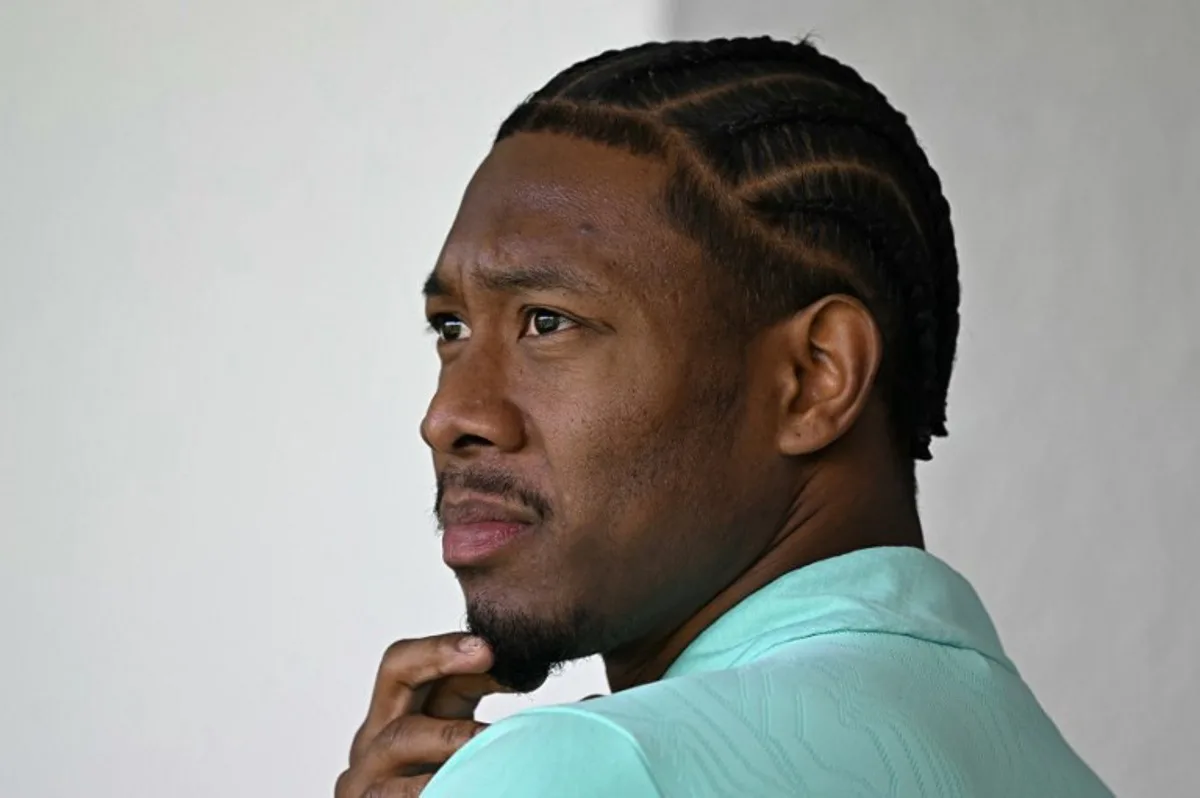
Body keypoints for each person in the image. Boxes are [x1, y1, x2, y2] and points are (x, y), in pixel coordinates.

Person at [336, 36, 1113, 797]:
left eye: (547, 321)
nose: (450, 417)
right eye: (451, 329)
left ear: (814, 379)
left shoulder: (586, 766)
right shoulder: (1050, 769)